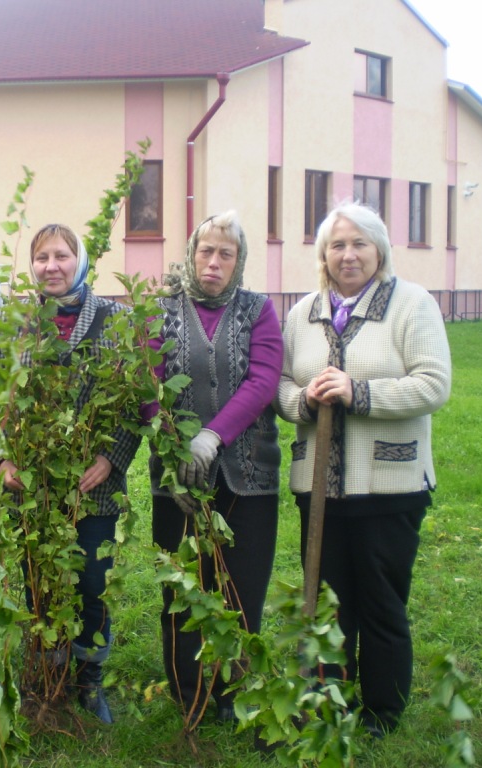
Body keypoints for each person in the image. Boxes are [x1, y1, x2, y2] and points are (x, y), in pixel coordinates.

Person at [275, 202, 451, 737]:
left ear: (380, 250)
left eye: (359, 244)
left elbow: (432, 384)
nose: (348, 255)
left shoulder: (411, 305)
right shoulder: (302, 312)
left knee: (380, 601)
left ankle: (381, 710)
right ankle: (329, 700)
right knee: (327, 600)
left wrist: (360, 392)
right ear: (323, 255)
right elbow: (280, 386)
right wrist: (303, 400)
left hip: (388, 485)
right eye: (337, 245)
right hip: (318, 487)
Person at [0, 224, 141, 724]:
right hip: (32, 486)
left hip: (92, 488)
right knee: (40, 585)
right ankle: (45, 678)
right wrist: (4, 459)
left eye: (61, 255)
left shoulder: (112, 319)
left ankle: (88, 682)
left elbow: (130, 405)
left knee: (92, 586)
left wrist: (111, 458)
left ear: (80, 261)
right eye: (41, 257)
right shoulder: (12, 323)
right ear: (31, 265)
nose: (51, 266)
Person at [149, 211, 282, 723]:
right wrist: (174, 458)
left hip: (249, 476)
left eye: (226, 253)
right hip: (177, 479)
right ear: (191, 253)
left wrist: (212, 435)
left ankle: (234, 691)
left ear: (238, 261)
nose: (214, 261)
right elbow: (148, 386)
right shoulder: (162, 311)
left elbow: (263, 379)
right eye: (206, 250)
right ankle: (189, 693)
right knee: (183, 588)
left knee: (241, 588)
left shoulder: (258, 311)